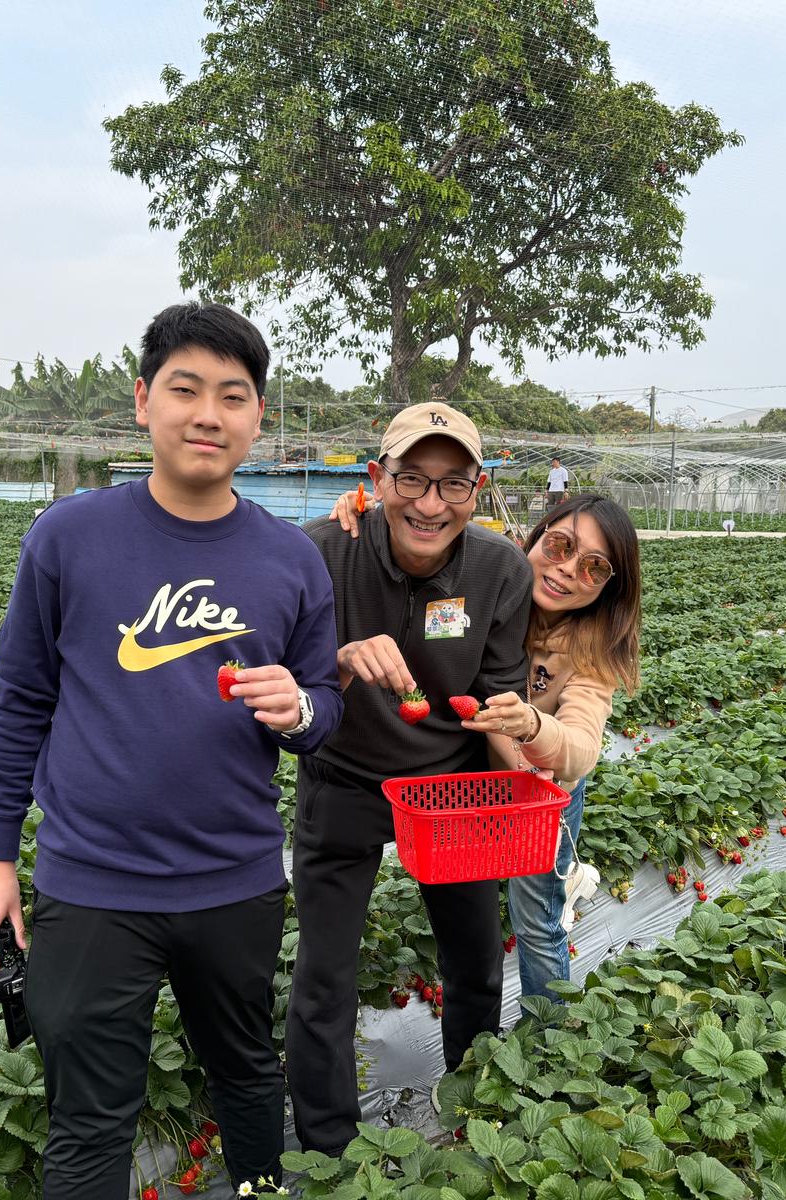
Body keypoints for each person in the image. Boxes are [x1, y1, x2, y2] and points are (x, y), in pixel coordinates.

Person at [0, 302, 343, 1199]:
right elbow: (19, 702)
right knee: (90, 1120)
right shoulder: (69, 537)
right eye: (185, 389)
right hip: (93, 883)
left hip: (235, 882)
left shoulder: (292, 560)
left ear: (258, 417)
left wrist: (298, 711)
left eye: (233, 396)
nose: (208, 414)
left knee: (246, 1073)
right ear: (143, 401)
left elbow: (325, 709)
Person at [289, 401, 533, 1156]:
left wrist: (523, 789)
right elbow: (281, 678)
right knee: (324, 976)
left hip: (451, 784)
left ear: (478, 488)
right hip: (344, 774)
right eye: (411, 480)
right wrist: (336, 660)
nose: (430, 504)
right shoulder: (320, 552)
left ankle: (476, 1115)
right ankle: (329, 1153)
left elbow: (497, 699)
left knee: (476, 959)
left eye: (453, 483)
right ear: (376, 478)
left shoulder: (500, 569)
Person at [327, 491, 642, 1002]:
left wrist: (531, 725)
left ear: (610, 586)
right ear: (535, 537)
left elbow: (582, 749)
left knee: (535, 920)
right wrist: (370, 506)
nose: (567, 569)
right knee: (471, 909)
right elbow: (432, 520)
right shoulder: (492, 578)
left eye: (594, 567)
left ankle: (549, 1030)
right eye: (560, 546)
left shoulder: (591, 653)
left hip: (539, 793)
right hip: (472, 774)